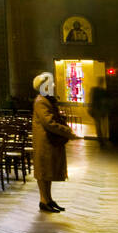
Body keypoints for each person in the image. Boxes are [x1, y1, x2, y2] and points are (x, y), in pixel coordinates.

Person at [32, 71, 74, 212]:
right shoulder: (41, 101)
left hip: (48, 141)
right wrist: (66, 131)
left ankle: (48, 199)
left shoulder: (46, 100)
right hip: (44, 141)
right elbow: (48, 122)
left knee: (47, 171)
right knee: (43, 171)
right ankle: (43, 200)